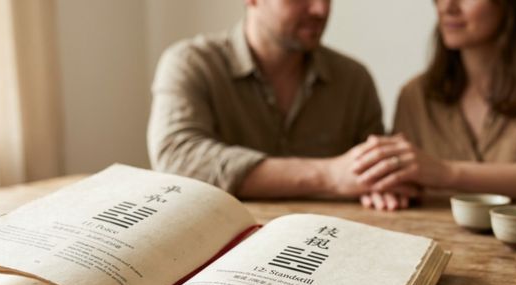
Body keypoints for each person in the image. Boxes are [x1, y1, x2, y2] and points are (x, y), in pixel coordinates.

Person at [353, 0, 516, 211]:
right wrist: (389, 189)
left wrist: (447, 173)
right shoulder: (415, 95)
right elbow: (401, 183)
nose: (447, 6)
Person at [148, 0, 417, 200]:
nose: (320, 10)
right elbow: (178, 159)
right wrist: (330, 176)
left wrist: (382, 187)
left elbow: (378, 175)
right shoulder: (192, 64)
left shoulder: (353, 80)